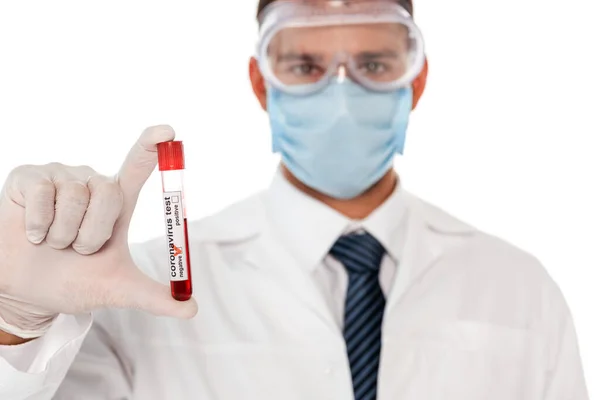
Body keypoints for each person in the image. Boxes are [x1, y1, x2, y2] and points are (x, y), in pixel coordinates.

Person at [0, 0, 589, 399]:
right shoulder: (145, 284)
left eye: (375, 64)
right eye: (305, 65)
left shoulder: (519, 286)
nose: (340, 94)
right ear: (262, 82)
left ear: (416, 79)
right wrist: (16, 323)